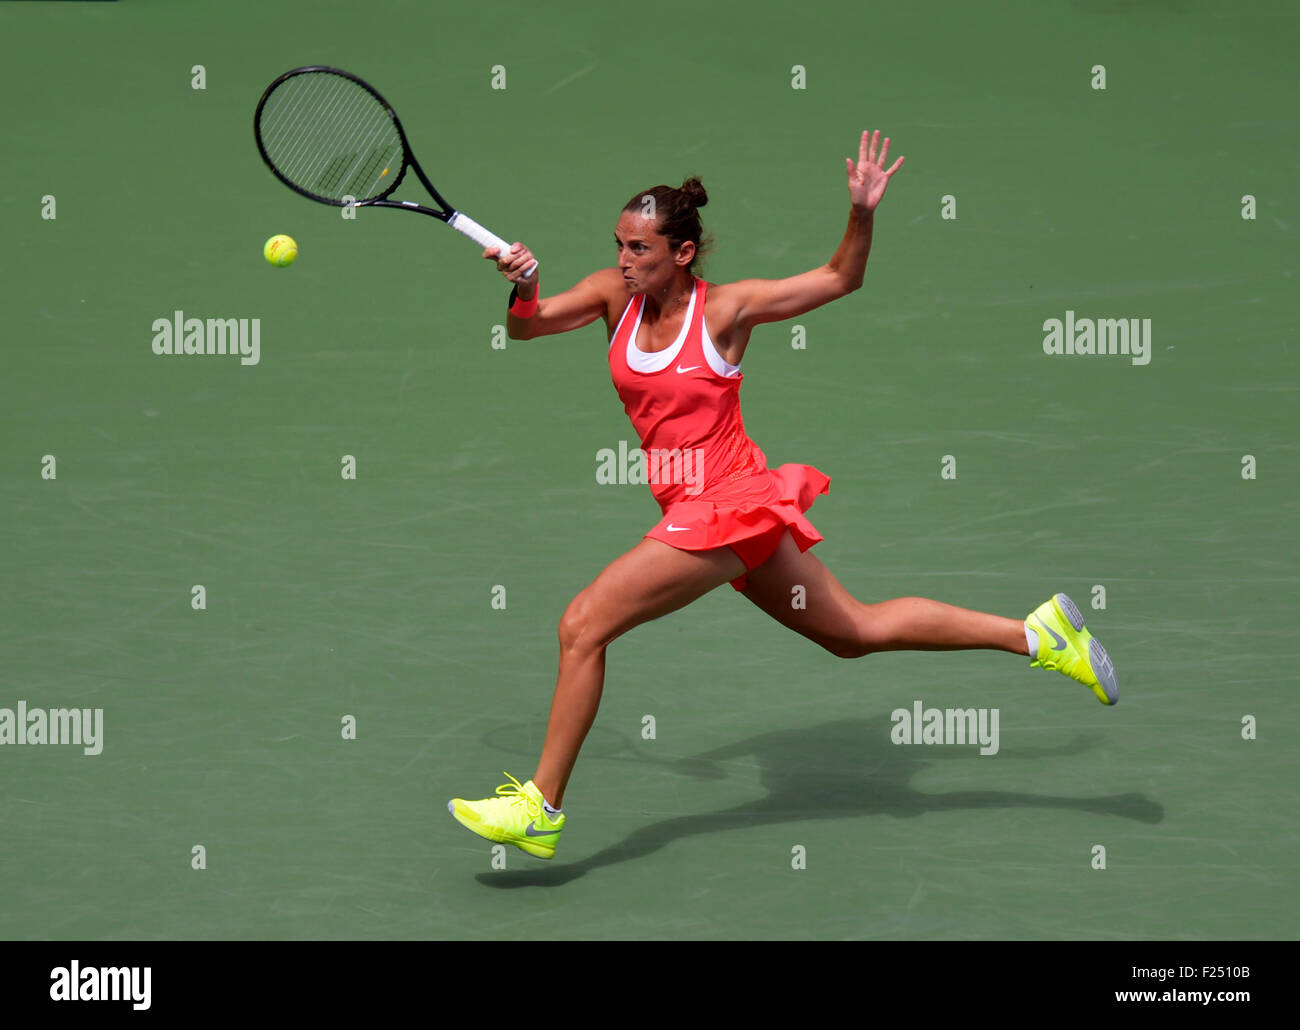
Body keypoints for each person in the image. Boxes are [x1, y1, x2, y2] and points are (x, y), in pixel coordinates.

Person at [448, 131, 1117, 860]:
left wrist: (861, 212)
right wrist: (523, 284)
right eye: (619, 245)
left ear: (683, 253)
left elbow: (838, 279)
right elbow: (529, 328)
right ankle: (1040, 634)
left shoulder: (729, 310)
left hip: (726, 506)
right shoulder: (615, 297)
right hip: (706, 514)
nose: (623, 261)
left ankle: (541, 806)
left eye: (640, 249)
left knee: (582, 626)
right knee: (852, 635)